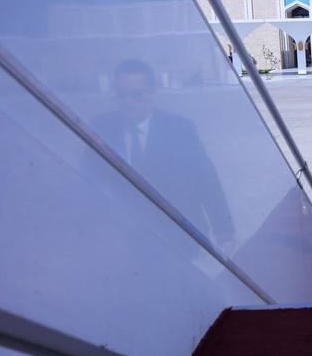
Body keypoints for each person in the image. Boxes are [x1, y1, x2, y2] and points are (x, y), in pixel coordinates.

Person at [93, 58, 235, 246]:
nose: (128, 102)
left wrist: (224, 231)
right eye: (121, 94)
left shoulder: (180, 130)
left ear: (153, 92)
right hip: (124, 237)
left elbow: (206, 178)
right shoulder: (102, 128)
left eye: (136, 95)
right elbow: (90, 180)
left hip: (177, 234)